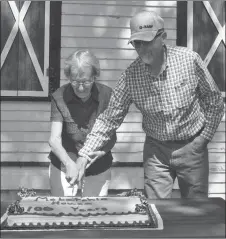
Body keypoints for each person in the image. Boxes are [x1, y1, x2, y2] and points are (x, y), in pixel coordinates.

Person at [67, 11, 224, 198]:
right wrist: (84, 156)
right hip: (156, 154)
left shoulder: (189, 60)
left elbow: (214, 100)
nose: (141, 48)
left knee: (196, 211)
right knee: (156, 211)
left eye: (147, 41)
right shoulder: (131, 76)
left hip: (192, 147)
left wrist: (203, 139)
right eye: (136, 43)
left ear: (162, 37)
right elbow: (109, 120)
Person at [48, 49, 116, 197]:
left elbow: (111, 134)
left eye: (85, 82)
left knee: (95, 215)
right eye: (75, 82)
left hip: (98, 165)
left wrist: (103, 152)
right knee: (62, 214)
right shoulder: (59, 96)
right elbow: (54, 140)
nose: (80, 87)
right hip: (65, 163)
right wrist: (69, 163)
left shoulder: (107, 95)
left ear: (95, 76)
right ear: (68, 77)